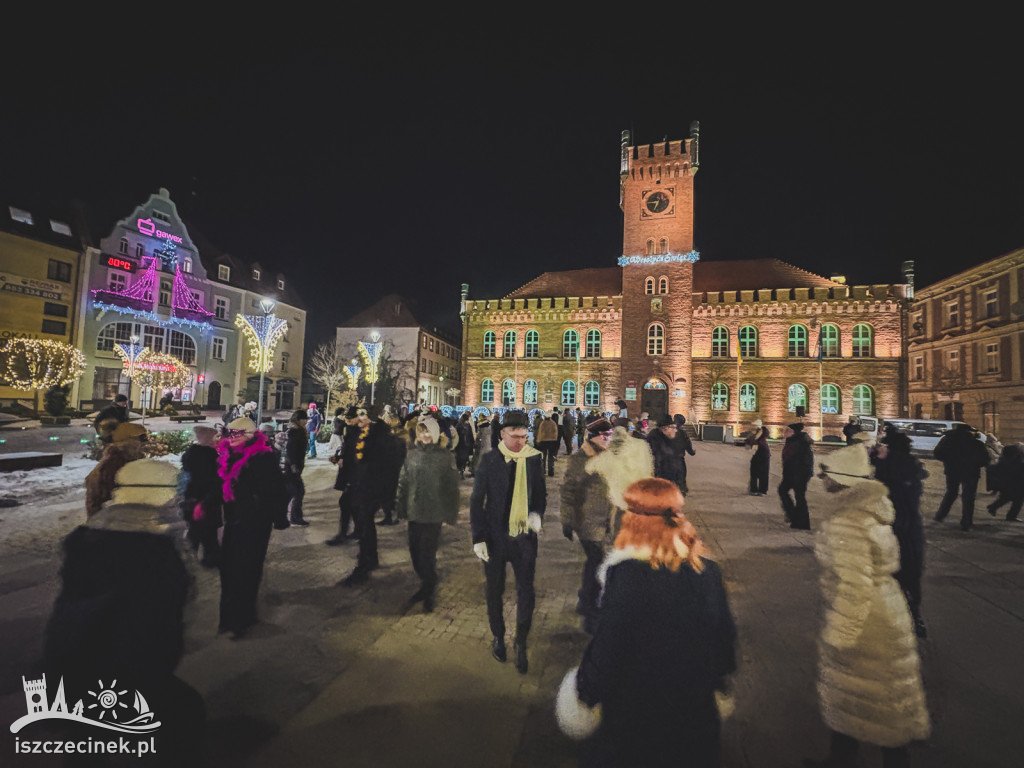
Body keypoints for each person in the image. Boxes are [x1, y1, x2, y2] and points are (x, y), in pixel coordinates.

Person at [556, 478, 737, 768]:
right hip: (695, 718)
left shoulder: (625, 576)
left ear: (633, 520)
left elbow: (607, 650)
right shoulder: (708, 572)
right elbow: (724, 643)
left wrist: (584, 694)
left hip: (635, 723)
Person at [45, 459, 205, 763]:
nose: (179, 498)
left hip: (76, 664)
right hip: (125, 671)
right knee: (182, 722)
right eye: (175, 491)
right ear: (157, 495)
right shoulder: (153, 552)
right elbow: (154, 625)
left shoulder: (91, 536)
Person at [805, 443, 930, 768]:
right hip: (887, 610)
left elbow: (854, 584)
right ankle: (842, 756)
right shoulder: (871, 511)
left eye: (826, 474)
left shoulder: (847, 522)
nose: (822, 480)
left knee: (870, 697)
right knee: (869, 698)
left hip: (868, 621)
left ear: (842, 479)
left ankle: (865, 758)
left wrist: (842, 633)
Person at [470, 410, 546, 674]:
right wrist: (478, 537)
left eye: (524, 437)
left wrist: (537, 514)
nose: (520, 442)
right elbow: (477, 501)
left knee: (526, 591)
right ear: (502, 434)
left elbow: (540, 496)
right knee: (495, 590)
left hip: (524, 537)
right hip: (495, 537)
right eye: (515, 437)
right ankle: (499, 637)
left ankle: (521, 642)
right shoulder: (490, 460)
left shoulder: (534, 459)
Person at [217, 417, 290, 638]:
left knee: (247, 569)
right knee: (228, 569)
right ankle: (228, 618)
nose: (231, 437)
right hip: (232, 520)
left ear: (250, 436)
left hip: (255, 521)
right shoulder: (226, 455)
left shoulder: (264, 458)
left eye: (237, 433)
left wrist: (278, 517)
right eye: (229, 432)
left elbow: (277, 490)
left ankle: (243, 618)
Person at [395, 417, 460, 613]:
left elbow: (452, 487)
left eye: (428, 431)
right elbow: (403, 481)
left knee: (427, 555)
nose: (424, 435)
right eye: (421, 431)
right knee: (415, 554)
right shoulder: (412, 455)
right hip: (414, 511)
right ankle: (426, 584)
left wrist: (450, 513)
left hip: (434, 513)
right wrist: (400, 507)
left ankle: (429, 590)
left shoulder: (444, 456)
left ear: (435, 433)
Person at [560, 415, 617, 634]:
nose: (608, 439)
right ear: (593, 437)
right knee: (598, 563)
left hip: (605, 519)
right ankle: (591, 612)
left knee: (595, 563)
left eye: (609, 435)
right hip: (588, 521)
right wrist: (567, 519)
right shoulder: (581, 459)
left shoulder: (608, 457)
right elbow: (567, 490)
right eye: (604, 436)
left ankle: (585, 600)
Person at [872, 427, 929, 638]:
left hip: (898, 529)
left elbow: (889, 489)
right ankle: (910, 617)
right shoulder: (900, 465)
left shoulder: (898, 468)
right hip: (905, 529)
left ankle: (909, 617)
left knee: (898, 574)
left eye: (883, 445)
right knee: (906, 575)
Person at [338, 407, 392, 586]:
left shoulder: (379, 436)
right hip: (359, 486)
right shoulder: (358, 433)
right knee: (364, 524)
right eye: (358, 415)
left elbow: (385, 465)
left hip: (372, 489)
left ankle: (364, 566)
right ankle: (370, 558)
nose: (359, 419)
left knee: (364, 525)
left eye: (363, 415)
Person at [179, 425, 223, 566]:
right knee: (203, 531)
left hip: (193, 498)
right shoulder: (210, 457)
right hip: (205, 499)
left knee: (199, 531)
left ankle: (202, 558)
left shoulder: (190, 454)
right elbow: (213, 480)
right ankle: (208, 559)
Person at [933, 423, 990, 531]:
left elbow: (937, 454)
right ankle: (966, 523)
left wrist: (948, 461)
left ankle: (940, 515)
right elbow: (985, 459)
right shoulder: (976, 443)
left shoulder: (947, 440)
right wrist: (975, 464)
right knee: (968, 497)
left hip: (952, 471)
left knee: (951, 493)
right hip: (971, 472)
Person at [85, 422, 148, 517]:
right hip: (108, 519)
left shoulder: (130, 460)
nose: (145, 442)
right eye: (141, 438)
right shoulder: (114, 463)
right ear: (127, 440)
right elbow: (109, 495)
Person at [778, 422, 814, 529]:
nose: (785, 433)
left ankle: (802, 522)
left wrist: (800, 475)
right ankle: (793, 515)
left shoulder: (800, 443)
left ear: (793, 432)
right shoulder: (792, 442)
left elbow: (806, 461)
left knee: (799, 497)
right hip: (790, 474)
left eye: (787, 431)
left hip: (799, 475)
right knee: (783, 491)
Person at [284, 409, 310, 526]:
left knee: (290, 493)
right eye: (304, 419)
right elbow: (291, 449)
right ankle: (295, 517)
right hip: (292, 466)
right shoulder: (295, 432)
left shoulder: (300, 430)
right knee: (299, 491)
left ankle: (279, 514)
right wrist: (293, 464)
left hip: (295, 465)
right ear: (299, 419)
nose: (306, 421)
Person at [647, 414, 687, 492]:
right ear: (665, 428)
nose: (675, 430)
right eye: (672, 427)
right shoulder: (656, 436)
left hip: (669, 468)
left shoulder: (676, 435)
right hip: (663, 469)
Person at [986, 442, 1024, 521]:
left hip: (1006, 482)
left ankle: (993, 507)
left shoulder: (1004, 459)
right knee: (1018, 499)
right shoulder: (1017, 460)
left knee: (1006, 497)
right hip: (1016, 483)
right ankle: (1011, 516)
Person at [671, 414, 697, 495]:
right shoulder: (683, 433)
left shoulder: (670, 431)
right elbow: (687, 444)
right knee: (681, 474)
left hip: (670, 457)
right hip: (679, 458)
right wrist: (691, 452)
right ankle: (681, 489)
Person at [745, 419, 770, 495]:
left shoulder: (762, 433)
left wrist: (753, 441)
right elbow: (748, 442)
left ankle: (762, 490)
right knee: (754, 472)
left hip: (763, 454)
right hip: (756, 454)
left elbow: (760, 441)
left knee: (763, 473)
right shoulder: (753, 433)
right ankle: (754, 489)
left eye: (754, 426)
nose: (752, 427)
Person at [454, 411, 475, 478]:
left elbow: (455, 435)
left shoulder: (458, 425)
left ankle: (460, 471)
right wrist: (472, 444)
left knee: (459, 459)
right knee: (464, 459)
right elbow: (471, 435)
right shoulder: (468, 426)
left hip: (460, 444)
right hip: (466, 445)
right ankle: (461, 471)